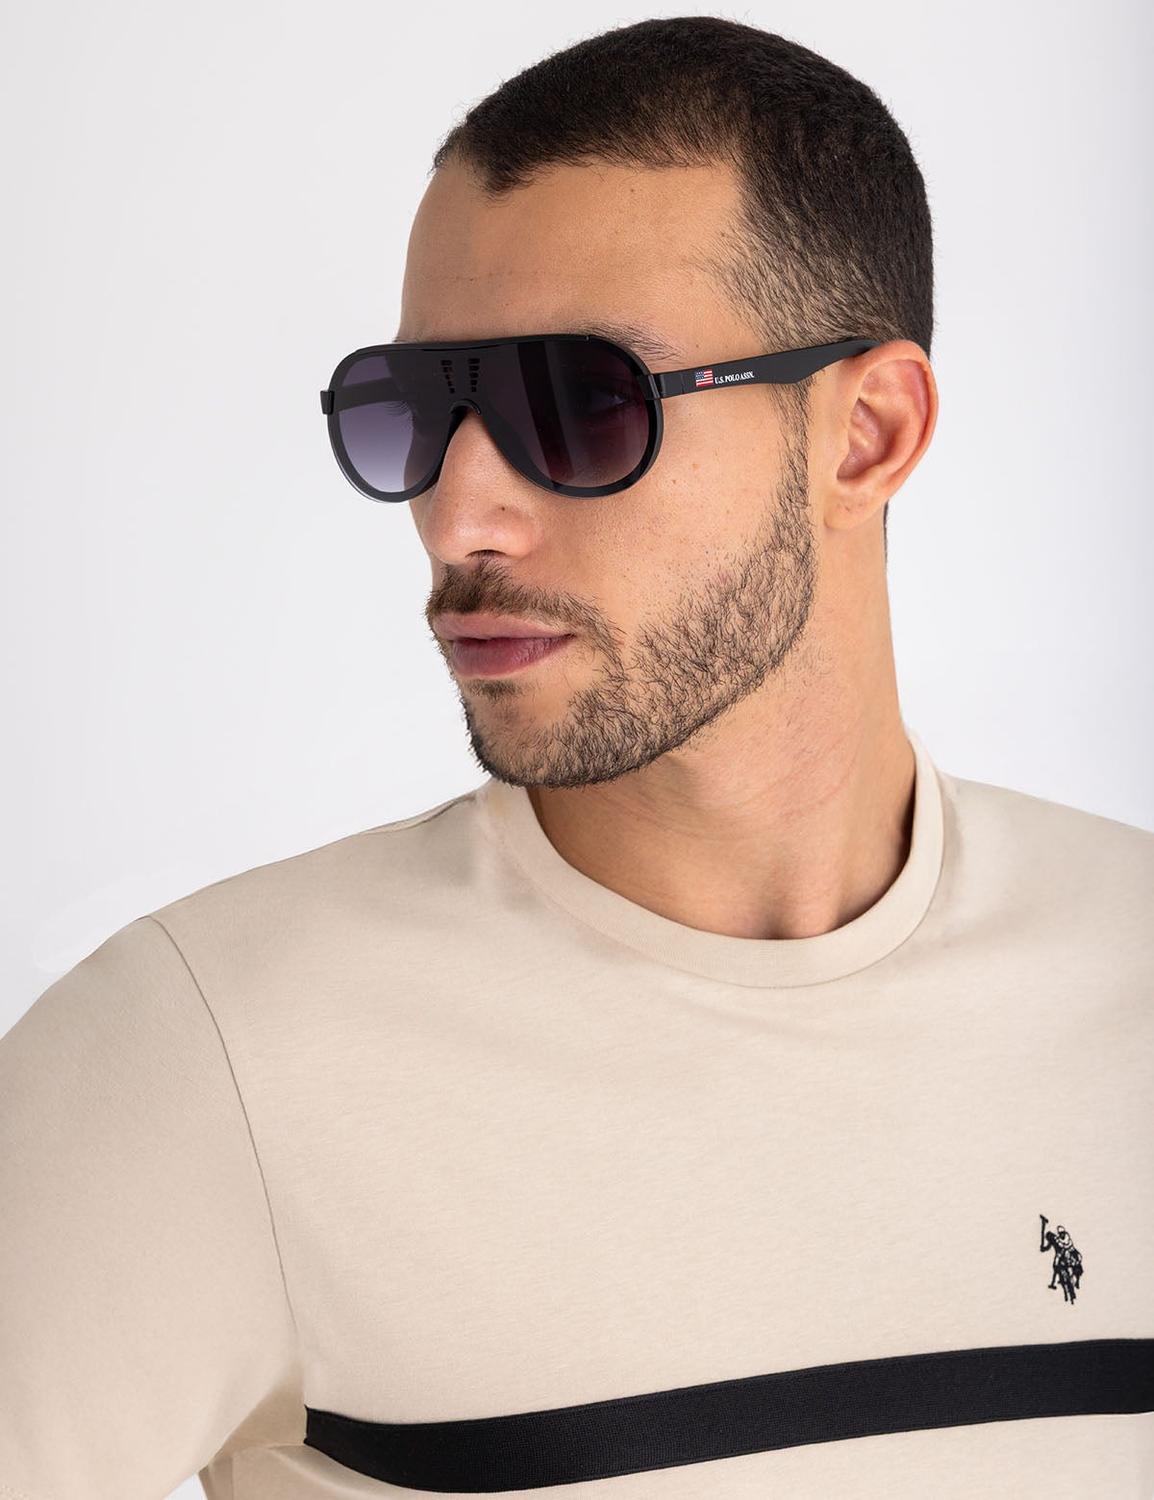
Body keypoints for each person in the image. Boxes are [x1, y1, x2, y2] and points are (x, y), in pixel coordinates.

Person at [3, 16, 1152, 1500]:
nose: (457, 515)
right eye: (415, 412)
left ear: (866, 435)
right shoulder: (198, 1060)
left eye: (579, 405)